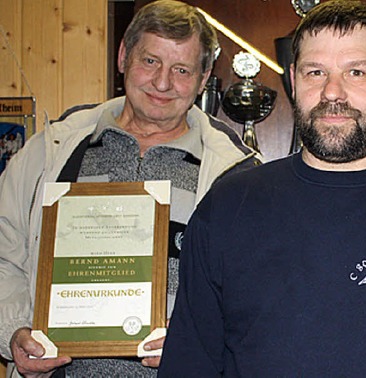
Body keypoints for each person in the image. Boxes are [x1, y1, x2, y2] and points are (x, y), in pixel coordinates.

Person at [159, 1, 366, 376]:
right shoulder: (227, 207)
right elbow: (188, 365)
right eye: (315, 72)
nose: (332, 92)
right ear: (293, 81)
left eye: (356, 72)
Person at [0, 0, 260, 376]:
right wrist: (14, 331)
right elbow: (4, 256)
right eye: (150, 61)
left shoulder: (239, 175)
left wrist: (200, 343)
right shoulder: (51, 151)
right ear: (123, 56)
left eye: (182, 69)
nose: (162, 83)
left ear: (204, 80)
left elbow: (257, 298)